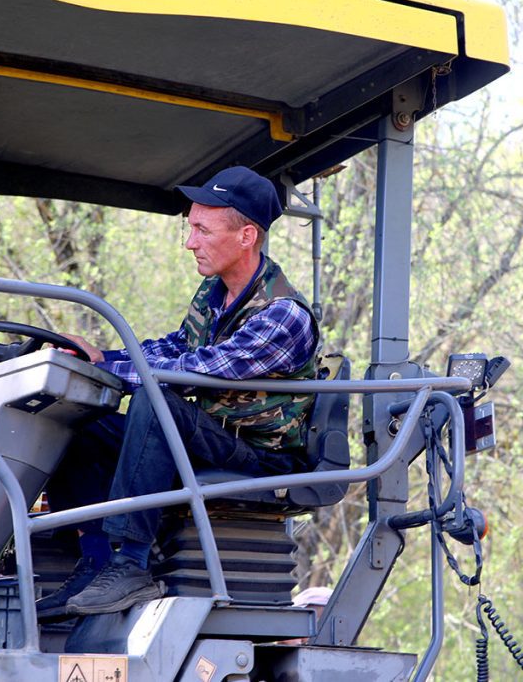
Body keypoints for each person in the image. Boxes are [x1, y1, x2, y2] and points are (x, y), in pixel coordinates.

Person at [36, 166, 320, 618]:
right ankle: (96, 561)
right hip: (213, 436)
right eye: (191, 228)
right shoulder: (214, 291)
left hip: (259, 454)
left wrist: (121, 373)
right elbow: (173, 347)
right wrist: (99, 361)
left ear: (247, 236)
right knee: (76, 417)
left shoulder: (283, 315)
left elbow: (203, 370)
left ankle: (130, 565)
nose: (190, 242)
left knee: (157, 397)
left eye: (202, 230)